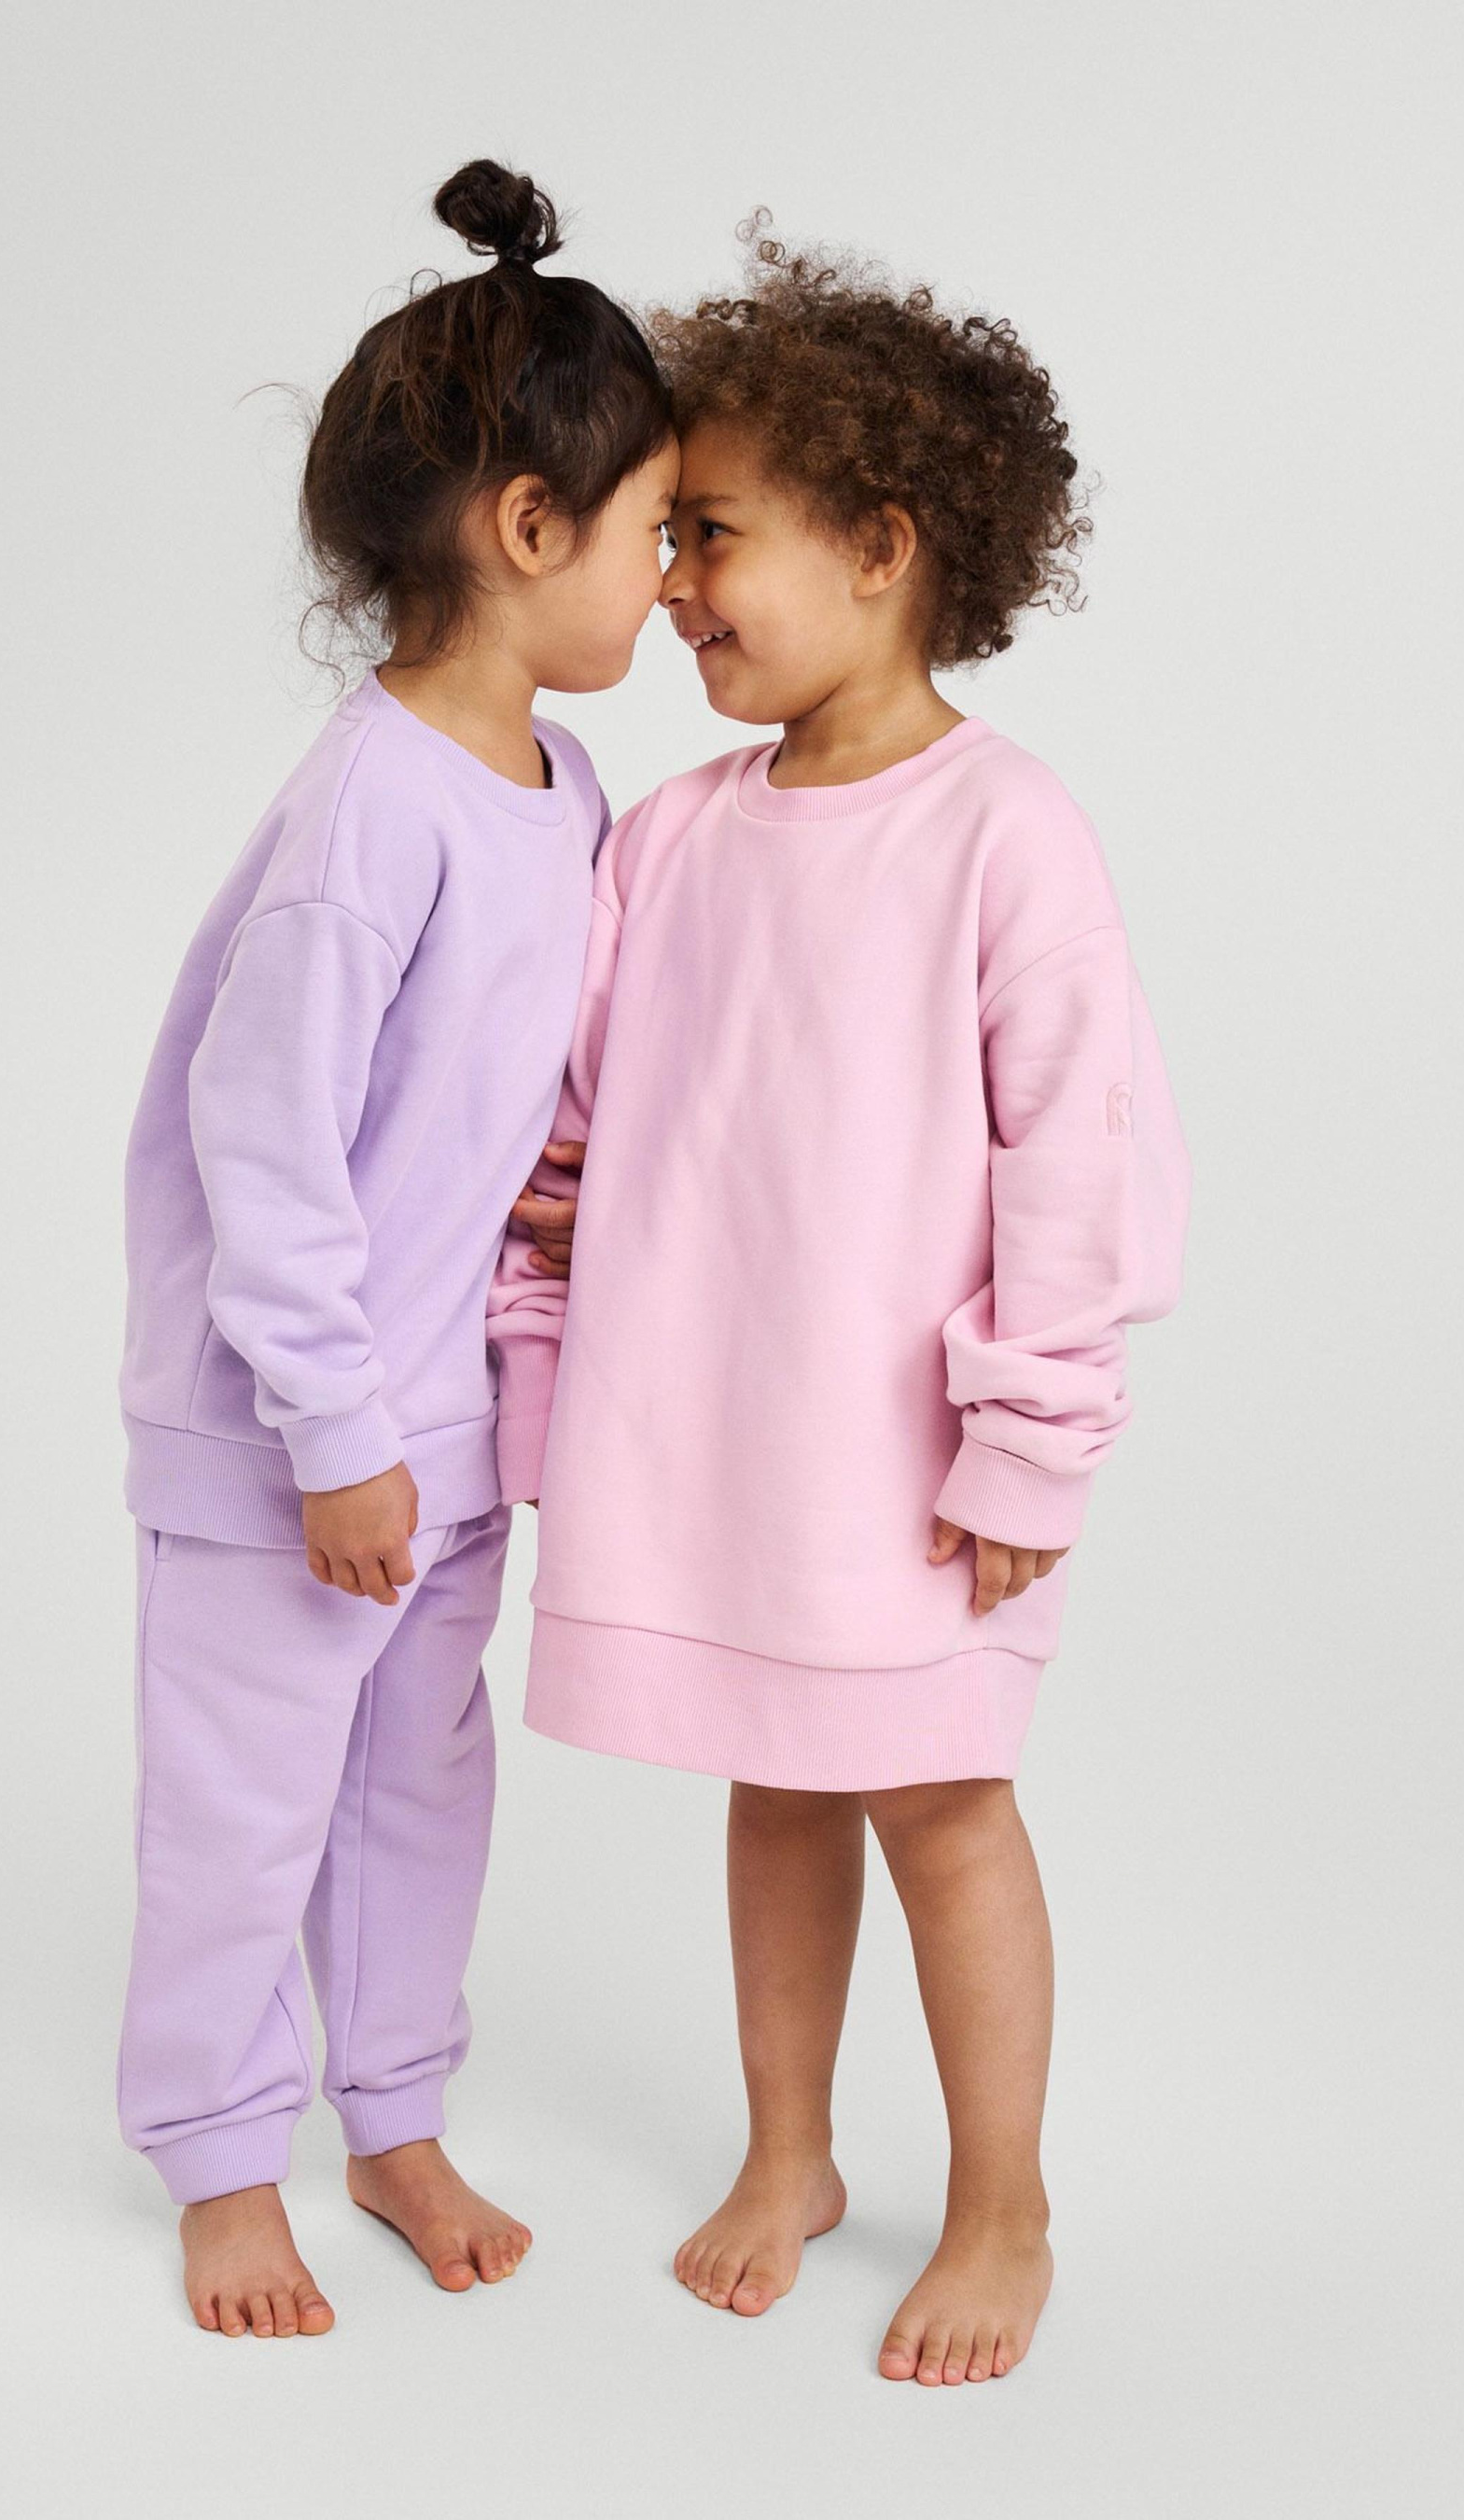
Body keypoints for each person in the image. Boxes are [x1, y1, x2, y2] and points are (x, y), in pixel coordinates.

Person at [489, 225, 1190, 2387]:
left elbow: (1079, 1168)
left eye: (709, 534)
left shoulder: (1002, 835)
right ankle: (785, 2150)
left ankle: (1000, 2204)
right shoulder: (669, 838)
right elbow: (566, 1144)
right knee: (774, 1782)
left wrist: (1026, 1447)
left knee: (941, 1806)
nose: (669, 585)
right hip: (720, 1441)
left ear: (881, 547)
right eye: (666, 538)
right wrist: (542, 1365)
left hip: (908, 1465)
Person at [116, 160, 676, 2337]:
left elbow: (499, 1083)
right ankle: (214, 2151)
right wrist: (334, 1430)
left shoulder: (563, 786)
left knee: (418, 1788)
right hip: (291, 1433)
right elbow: (259, 1139)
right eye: (651, 530)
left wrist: (551, 1189)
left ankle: (393, 2112)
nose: (667, 579)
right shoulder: (370, 808)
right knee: (246, 1804)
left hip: (442, 1421)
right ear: (528, 527)